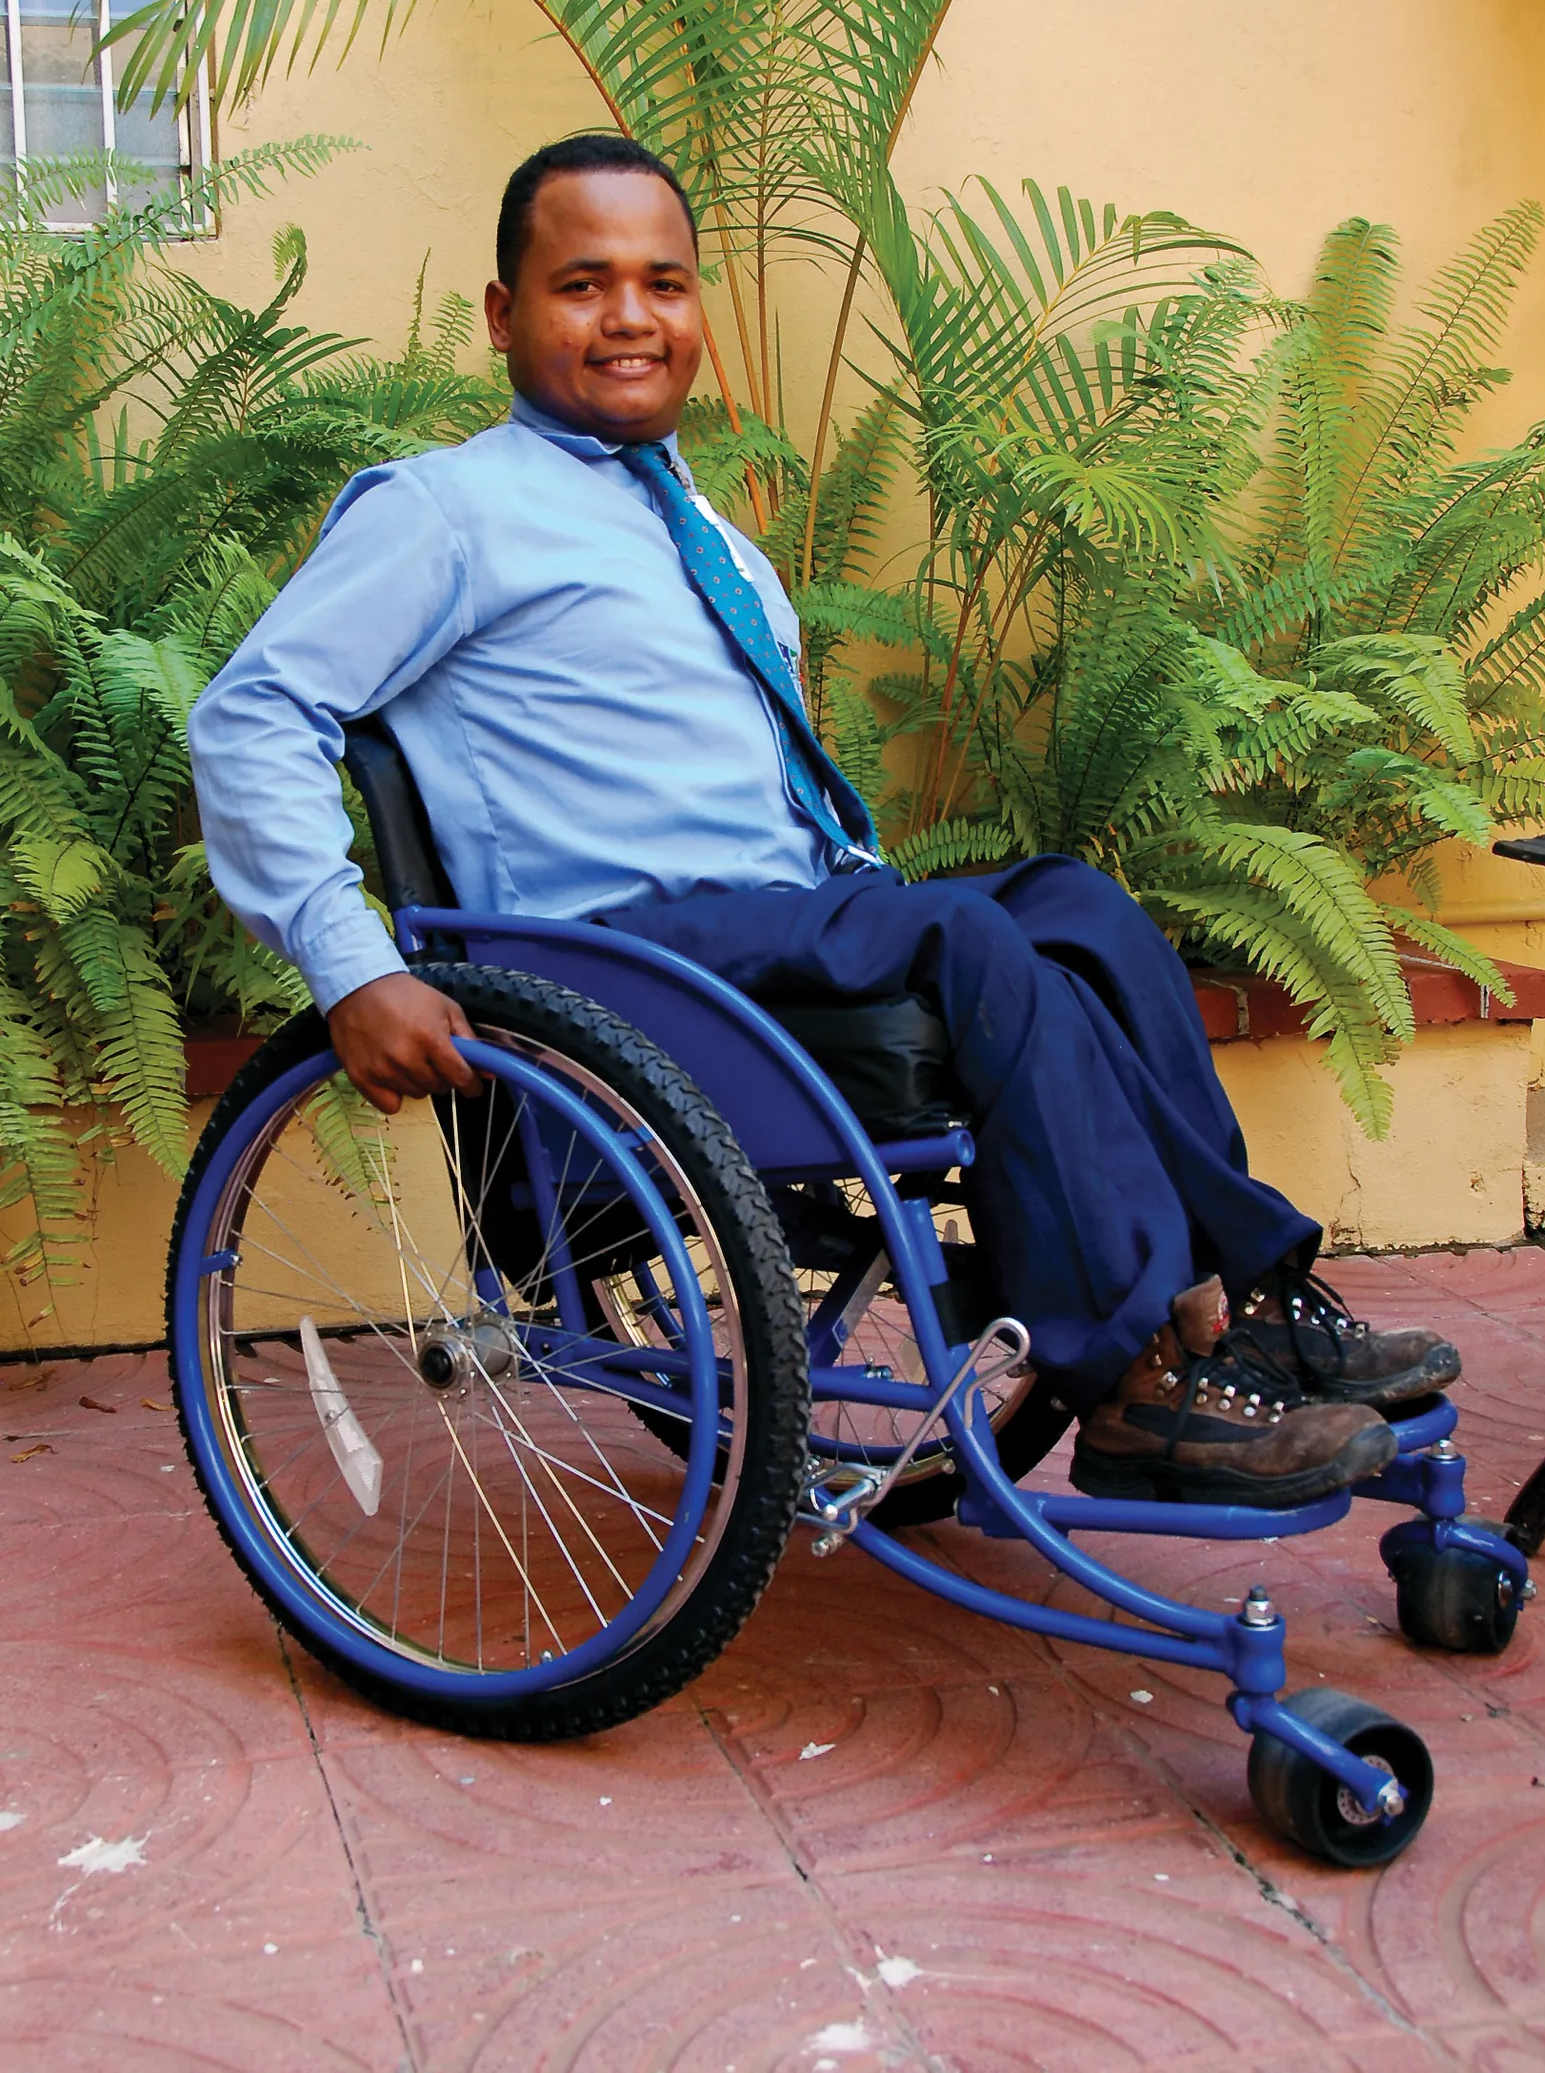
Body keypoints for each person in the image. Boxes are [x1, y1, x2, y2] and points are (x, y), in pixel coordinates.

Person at [188, 134, 1461, 1509]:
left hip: (773, 925)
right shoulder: (442, 514)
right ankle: (1133, 1386)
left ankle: (1245, 1300)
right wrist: (351, 960)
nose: (630, 316)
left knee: (1078, 904)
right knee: (968, 941)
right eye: (583, 284)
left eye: (664, 284)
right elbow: (251, 714)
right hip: (623, 956)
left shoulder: (712, 543)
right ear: (506, 317)